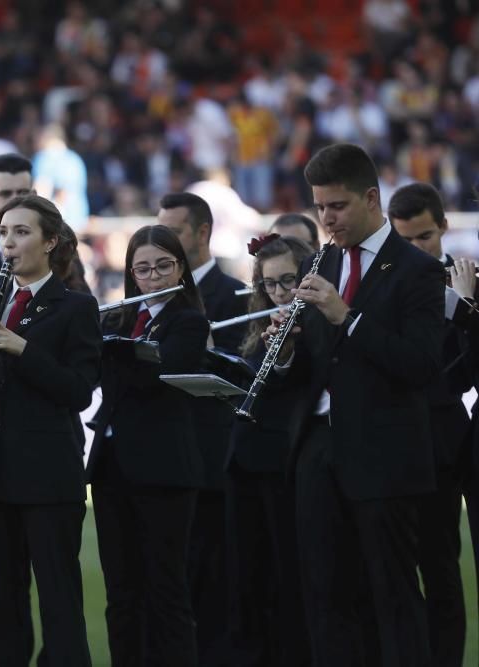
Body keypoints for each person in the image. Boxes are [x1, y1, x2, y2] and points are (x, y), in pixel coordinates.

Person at [267, 143, 443, 666]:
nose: (326, 218)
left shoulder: (416, 270)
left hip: (384, 454)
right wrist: (290, 346)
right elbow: (319, 363)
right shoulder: (322, 259)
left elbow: (421, 365)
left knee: (392, 596)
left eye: (337, 206)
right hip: (319, 449)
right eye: (319, 207)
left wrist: (347, 316)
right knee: (325, 594)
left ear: (371, 198)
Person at [0, 194, 102, 666]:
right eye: (4, 233)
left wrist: (23, 349)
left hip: (45, 474)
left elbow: (78, 390)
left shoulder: (75, 306)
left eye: (22, 232)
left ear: (50, 241)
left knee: (59, 602)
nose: (10, 243)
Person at [86, 224, 207, 666]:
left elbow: (167, 373)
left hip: (164, 469)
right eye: (143, 269)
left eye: (163, 267)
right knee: (121, 593)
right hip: (112, 468)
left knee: (166, 591)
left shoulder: (188, 321)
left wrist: (115, 353)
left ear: (179, 268)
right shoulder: (118, 318)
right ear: (131, 274)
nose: (153, 278)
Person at [157, 191, 246, 664]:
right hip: (161, 462)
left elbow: (242, 376)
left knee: (214, 586)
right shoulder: (150, 298)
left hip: (213, 464)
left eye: (174, 231)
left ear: (203, 233)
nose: (163, 243)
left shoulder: (233, 295)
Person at [389, 182, 471, 667]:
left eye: (424, 238)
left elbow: (463, 368)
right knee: (392, 572)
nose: (417, 249)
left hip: (441, 442)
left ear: (443, 227)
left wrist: (462, 309)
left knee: (441, 569)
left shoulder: (465, 285)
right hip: (392, 441)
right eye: (406, 241)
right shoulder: (388, 288)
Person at [226, 234, 313, 666]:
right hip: (247, 461)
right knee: (250, 576)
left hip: (287, 465)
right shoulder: (260, 322)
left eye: (288, 281)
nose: (280, 293)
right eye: (270, 284)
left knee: (289, 576)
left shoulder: (314, 324)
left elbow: (292, 384)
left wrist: (286, 352)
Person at [0, 153, 34, 290]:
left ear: (34, 196)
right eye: (5, 194)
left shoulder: (58, 255)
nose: (15, 201)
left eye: (23, 193)